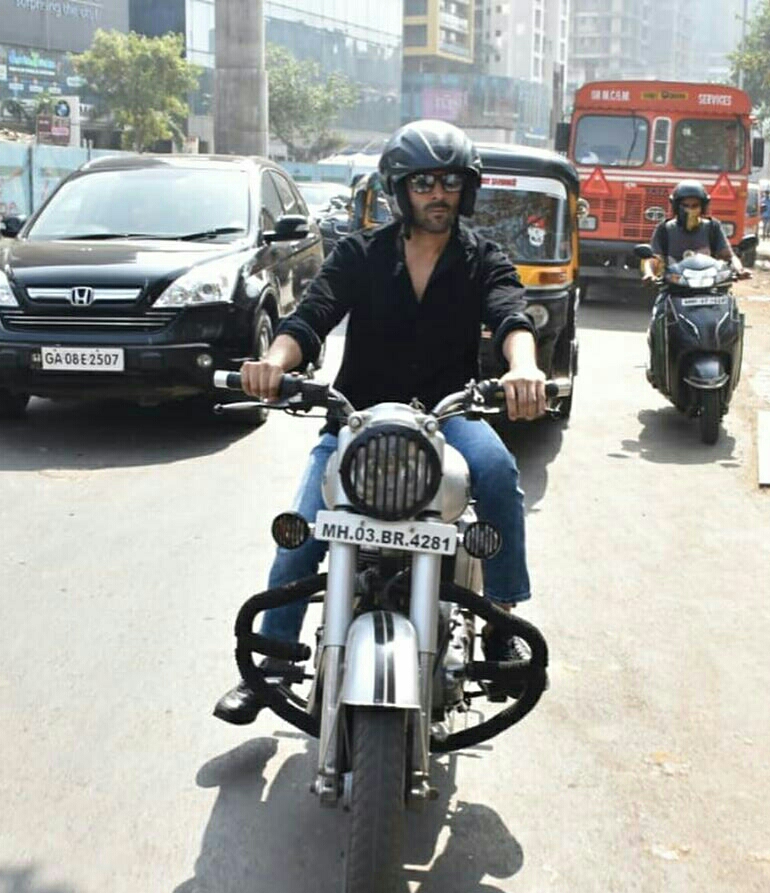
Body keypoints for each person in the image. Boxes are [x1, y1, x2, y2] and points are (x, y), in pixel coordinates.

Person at [214, 120, 546, 725]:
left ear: (465, 190)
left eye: (450, 182)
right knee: (305, 524)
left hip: (448, 417)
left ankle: (502, 619)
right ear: (401, 189)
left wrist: (523, 368)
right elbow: (311, 316)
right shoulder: (361, 254)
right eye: (424, 183)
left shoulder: (484, 259)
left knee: (498, 470)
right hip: (358, 417)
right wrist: (272, 364)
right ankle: (274, 663)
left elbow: (510, 316)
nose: (437, 194)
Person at [641, 181, 750, 386]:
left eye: (695, 205)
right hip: (675, 290)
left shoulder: (712, 227)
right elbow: (653, 258)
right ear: (676, 207)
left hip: (710, 290)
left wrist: (739, 269)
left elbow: (728, 256)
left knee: (732, 317)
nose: (690, 210)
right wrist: (649, 273)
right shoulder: (665, 230)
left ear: (703, 207)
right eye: (686, 206)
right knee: (657, 319)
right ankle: (657, 366)